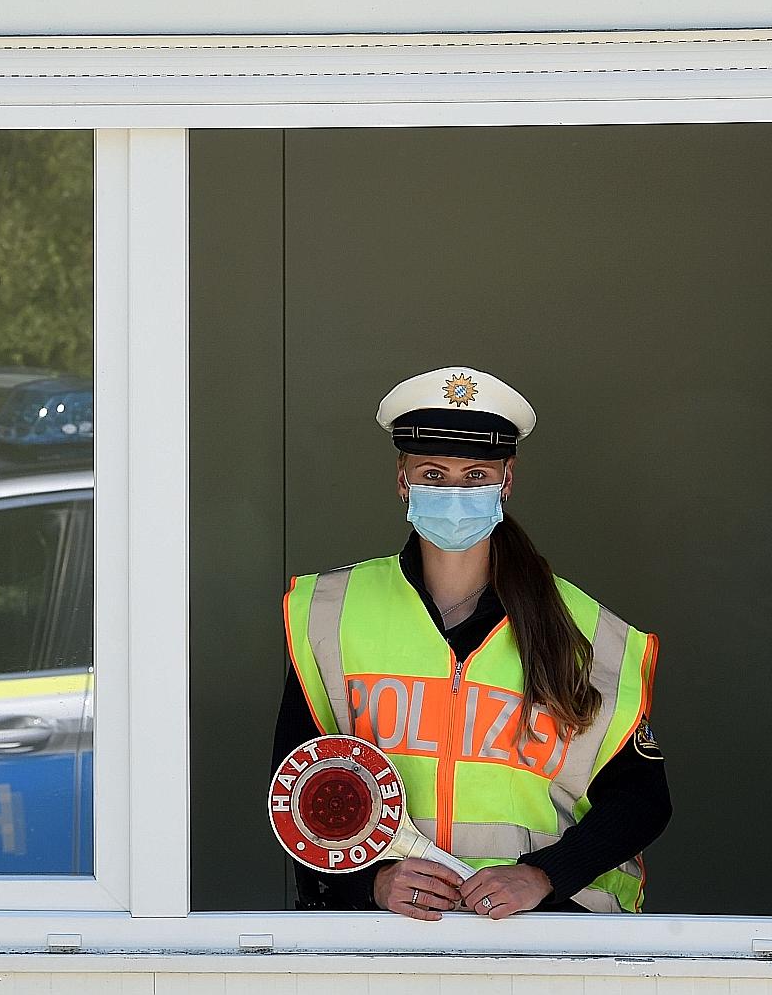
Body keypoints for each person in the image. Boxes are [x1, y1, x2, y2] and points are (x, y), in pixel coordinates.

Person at [272, 366, 670, 919]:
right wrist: (371, 884)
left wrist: (544, 876)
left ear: (507, 480)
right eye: (433, 474)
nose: (454, 494)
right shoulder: (333, 612)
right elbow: (297, 793)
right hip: (390, 937)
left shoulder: (586, 629)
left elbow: (641, 799)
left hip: (546, 937)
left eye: (476, 475)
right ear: (402, 479)